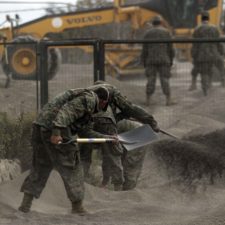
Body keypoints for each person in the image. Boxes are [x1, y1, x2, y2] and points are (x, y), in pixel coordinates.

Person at [18, 86, 118, 214]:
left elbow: (85, 131)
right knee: (73, 167)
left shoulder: (82, 100)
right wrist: (56, 132)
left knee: (41, 166)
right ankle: (78, 207)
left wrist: (107, 138)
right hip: (57, 128)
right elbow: (66, 112)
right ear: (103, 102)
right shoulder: (90, 99)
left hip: (40, 126)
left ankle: (25, 205)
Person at [80, 81, 160, 191]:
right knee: (110, 151)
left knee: (129, 165)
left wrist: (150, 121)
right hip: (123, 133)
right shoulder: (91, 114)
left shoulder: (104, 120)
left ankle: (127, 190)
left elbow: (112, 154)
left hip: (141, 135)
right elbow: (90, 153)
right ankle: (119, 185)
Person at [141, 15, 176, 106]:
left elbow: (144, 49)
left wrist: (144, 61)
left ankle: (148, 100)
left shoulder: (147, 34)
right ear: (161, 22)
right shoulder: (166, 32)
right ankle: (168, 100)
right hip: (164, 59)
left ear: (152, 23)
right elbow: (171, 48)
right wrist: (171, 59)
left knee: (150, 79)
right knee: (165, 79)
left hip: (151, 60)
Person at [190, 11, 225, 95]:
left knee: (204, 72)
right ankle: (223, 81)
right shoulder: (214, 28)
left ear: (201, 18)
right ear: (209, 18)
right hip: (214, 53)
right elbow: (219, 42)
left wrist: (193, 55)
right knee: (221, 66)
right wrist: (222, 52)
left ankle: (205, 89)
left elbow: (195, 44)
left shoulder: (197, 29)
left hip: (202, 55)